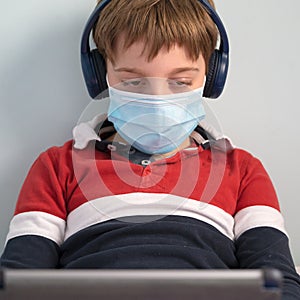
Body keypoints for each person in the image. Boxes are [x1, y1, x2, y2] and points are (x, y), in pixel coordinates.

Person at [1, 0, 300, 299]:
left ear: (212, 77)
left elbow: (280, 284)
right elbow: (19, 281)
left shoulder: (243, 170)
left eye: (181, 82)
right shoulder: (58, 166)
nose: (157, 101)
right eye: (132, 81)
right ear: (99, 75)